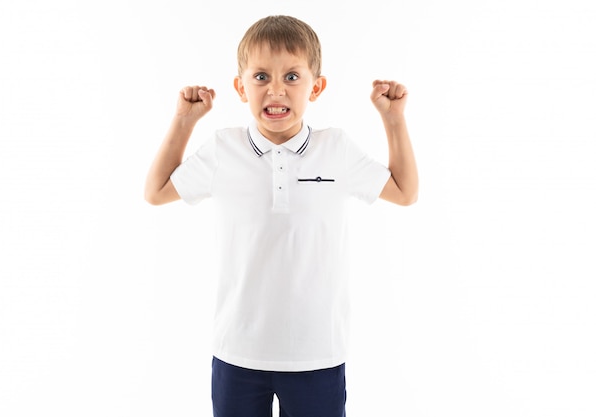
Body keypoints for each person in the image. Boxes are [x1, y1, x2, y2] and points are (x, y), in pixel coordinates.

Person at [144, 15, 418, 417]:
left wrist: (393, 120)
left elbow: (405, 192)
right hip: (237, 352)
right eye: (260, 77)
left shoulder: (335, 148)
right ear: (240, 87)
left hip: (316, 355)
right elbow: (156, 192)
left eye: (292, 77)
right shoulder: (224, 149)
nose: (276, 90)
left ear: (316, 86)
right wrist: (184, 121)